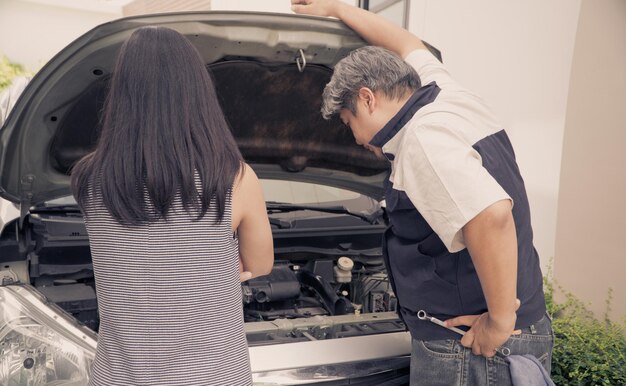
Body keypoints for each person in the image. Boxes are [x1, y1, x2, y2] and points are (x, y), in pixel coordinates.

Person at [292, 1, 553, 384]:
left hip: (472, 347)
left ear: (367, 98)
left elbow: (492, 215)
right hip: (511, 329)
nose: (354, 137)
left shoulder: (422, 140)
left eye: (348, 122)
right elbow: (406, 41)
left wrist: (498, 321)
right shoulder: (443, 90)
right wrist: (337, 9)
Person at [70, 26, 273, 385]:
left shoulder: (88, 179)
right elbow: (259, 264)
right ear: (197, 93)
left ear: (122, 94)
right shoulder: (234, 178)